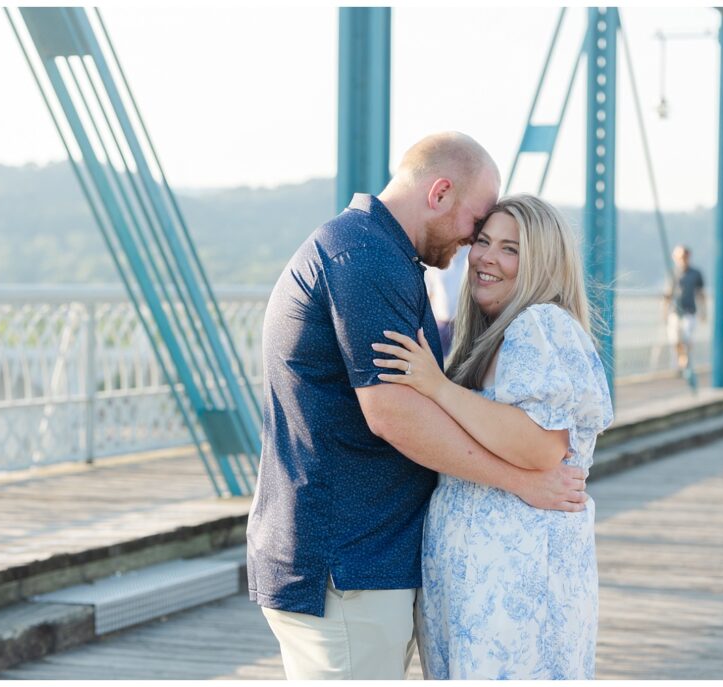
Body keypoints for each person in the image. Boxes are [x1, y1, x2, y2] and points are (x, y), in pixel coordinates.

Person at [246, 133, 589, 681]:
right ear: (440, 193)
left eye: (503, 244)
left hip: (361, 559)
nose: (473, 246)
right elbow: (393, 414)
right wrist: (518, 481)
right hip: (346, 565)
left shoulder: (377, 253)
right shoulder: (366, 258)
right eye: (476, 227)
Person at [372, 194, 614, 679]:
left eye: (511, 249)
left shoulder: (538, 325)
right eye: (483, 241)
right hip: (479, 579)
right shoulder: (495, 334)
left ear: (543, 263)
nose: (485, 258)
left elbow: (541, 446)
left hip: (515, 580)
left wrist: (437, 387)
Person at [662, 244, 706, 390]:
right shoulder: (673, 273)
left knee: (686, 338)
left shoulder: (696, 273)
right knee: (675, 340)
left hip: (689, 311)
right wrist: (664, 312)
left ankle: (685, 363)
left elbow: (701, 294)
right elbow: (667, 294)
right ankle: (681, 363)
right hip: (675, 312)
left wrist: (704, 311)